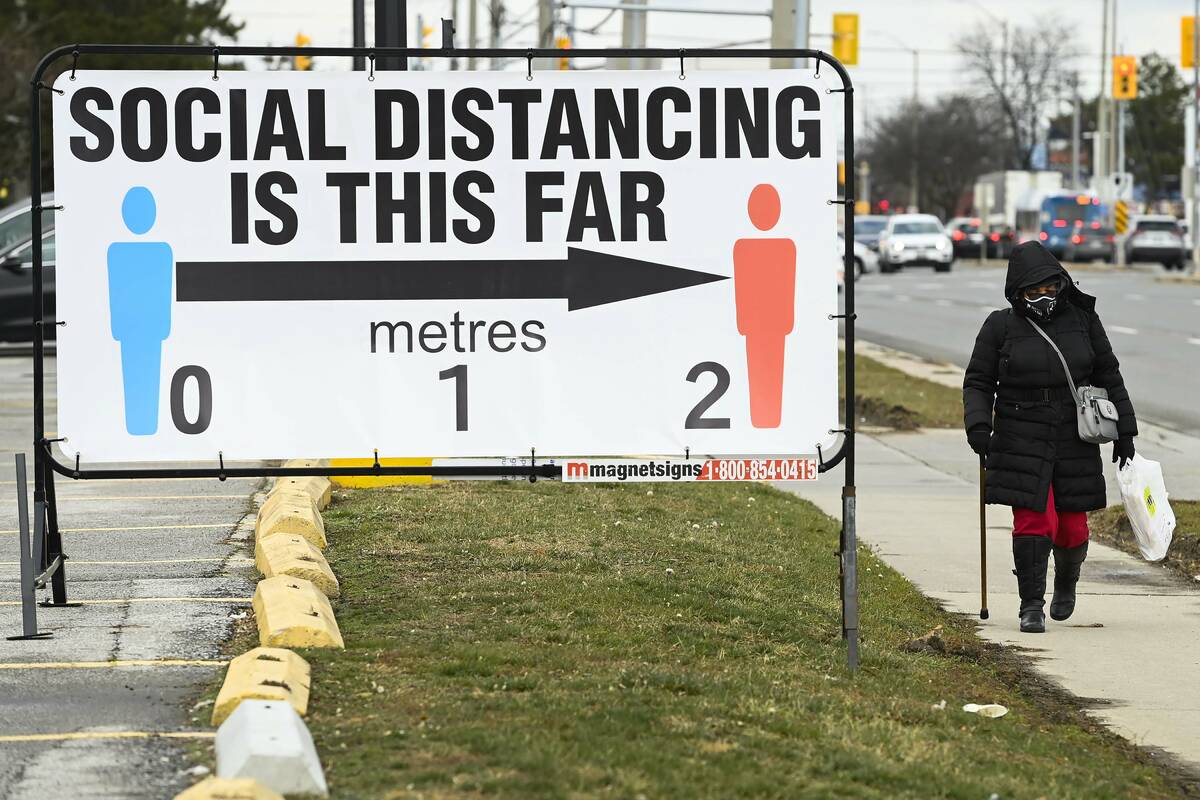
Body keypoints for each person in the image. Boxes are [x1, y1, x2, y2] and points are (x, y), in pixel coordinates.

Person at [963, 241, 1137, 633]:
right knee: (1033, 519)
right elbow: (977, 381)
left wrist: (1126, 431)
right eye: (1033, 291)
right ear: (1017, 292)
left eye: (1050, 289)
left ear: (1060, 285)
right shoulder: (999, 326)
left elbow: (1109, 374)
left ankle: (1066, 584)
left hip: (1074, 432)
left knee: (1072, 525)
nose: (1043, 297)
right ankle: (1030, 605)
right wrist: (978, 425)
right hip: (1020, 430)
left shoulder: (1082, 320)